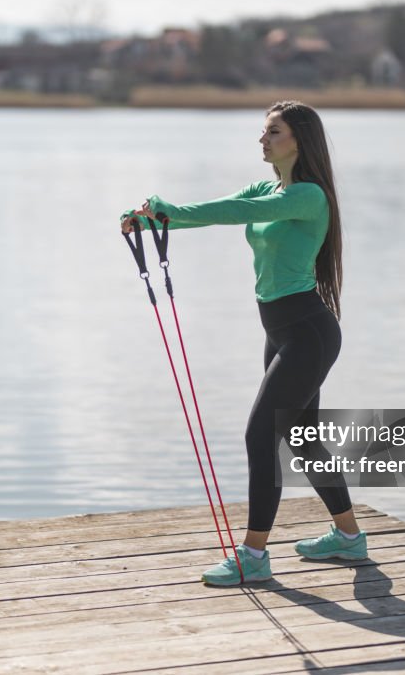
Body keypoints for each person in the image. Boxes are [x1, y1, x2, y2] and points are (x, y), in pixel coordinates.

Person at [120, 100, 367, 586]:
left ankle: (253, 556)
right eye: (264, 131)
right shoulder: (268, 187)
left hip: (308, 332)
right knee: (303, 438)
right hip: (280, 333)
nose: (263, 139)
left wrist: (167, 210)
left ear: (298, 139)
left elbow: (237, 212)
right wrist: (153, 220)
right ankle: (349, 537)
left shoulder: (309, 197)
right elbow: (216, 210)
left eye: (272, 132)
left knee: (262, 435)